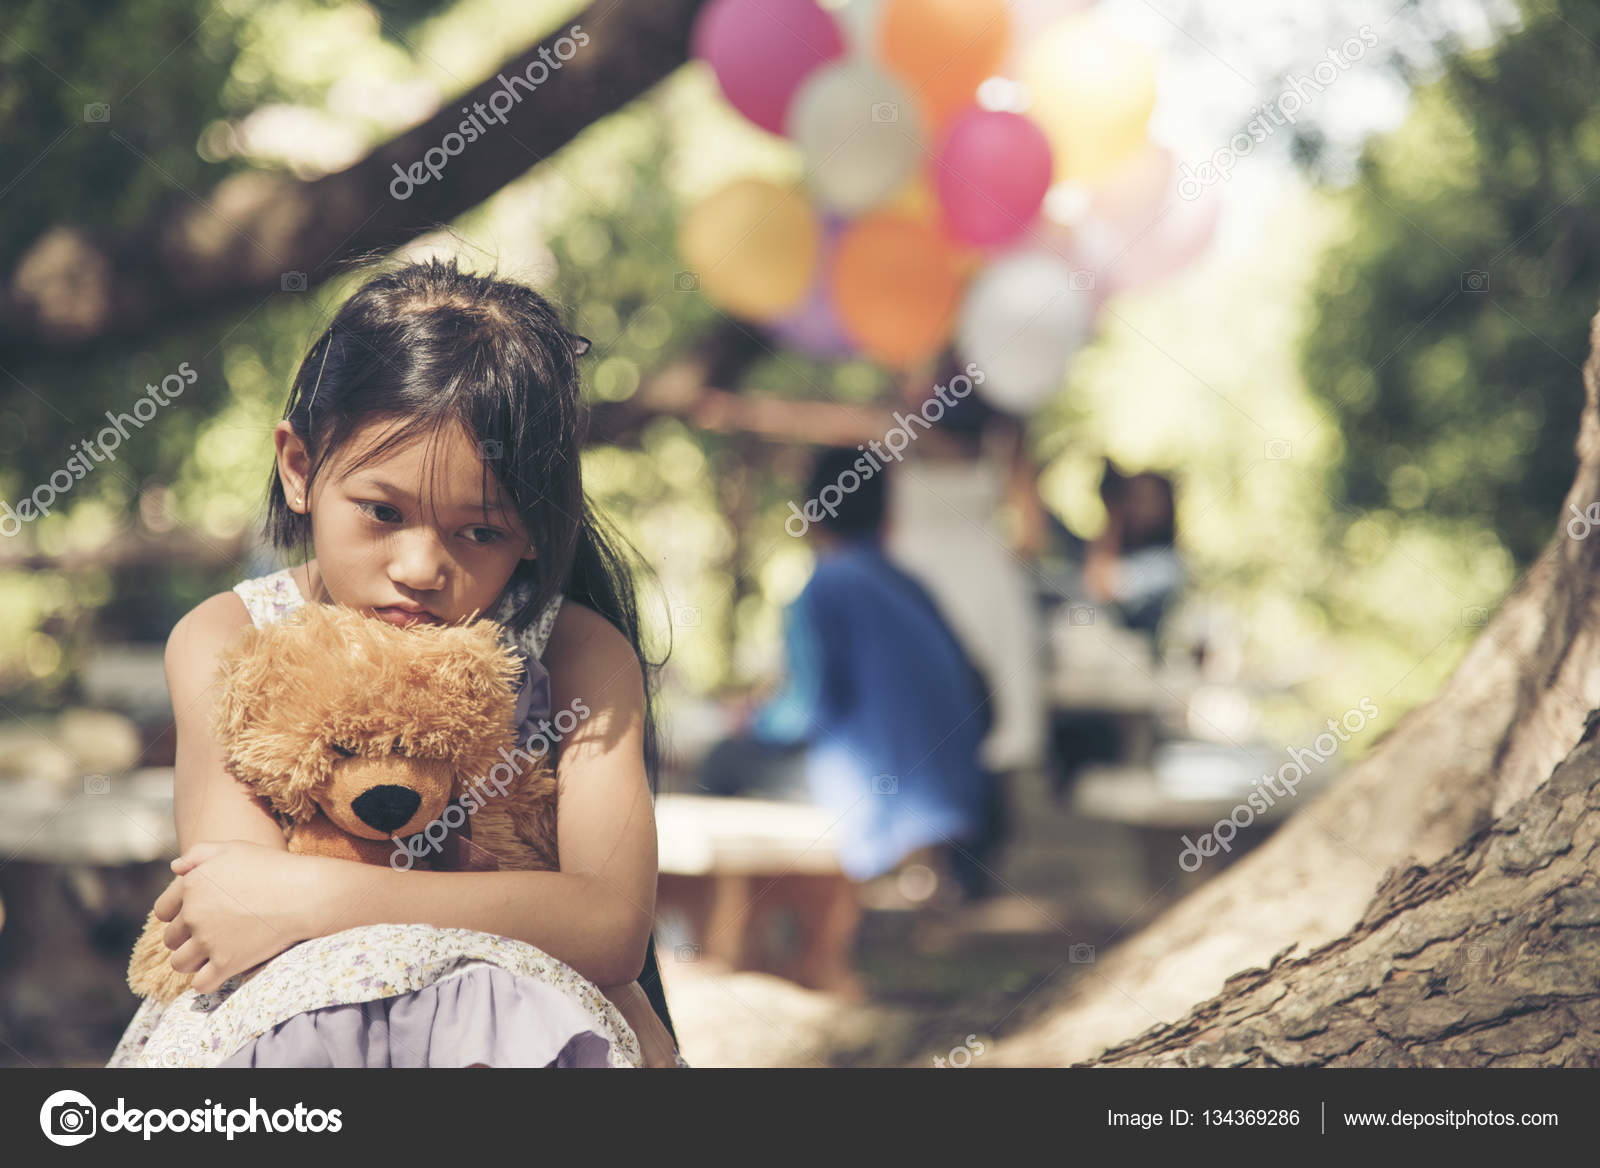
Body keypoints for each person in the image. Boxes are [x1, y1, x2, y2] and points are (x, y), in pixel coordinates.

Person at [107, 258, 686, 1068]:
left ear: (532, 533)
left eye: (479, 531)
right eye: (383, 512)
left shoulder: (575, 652)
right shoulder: (227, 638)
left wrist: (316, 893)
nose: (420, 567)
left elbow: (609, 926)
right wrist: (519, 909)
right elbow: (231, 908)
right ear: (301, 468)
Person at [704, 446, 1006, 909]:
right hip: (957, 796)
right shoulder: (910, 584)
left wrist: (753, 721)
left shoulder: (825, 585)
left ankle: (752, 923)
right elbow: (980, 696)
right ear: (888, 512)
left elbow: (807, 710)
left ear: (811, 515)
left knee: (721, 761)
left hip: (877, 803)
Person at [881, 352, 1050, 779]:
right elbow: (1031, 535)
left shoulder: (893, 432)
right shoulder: (1006, 438)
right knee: (991, 719)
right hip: (987, 585)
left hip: (912, 583)